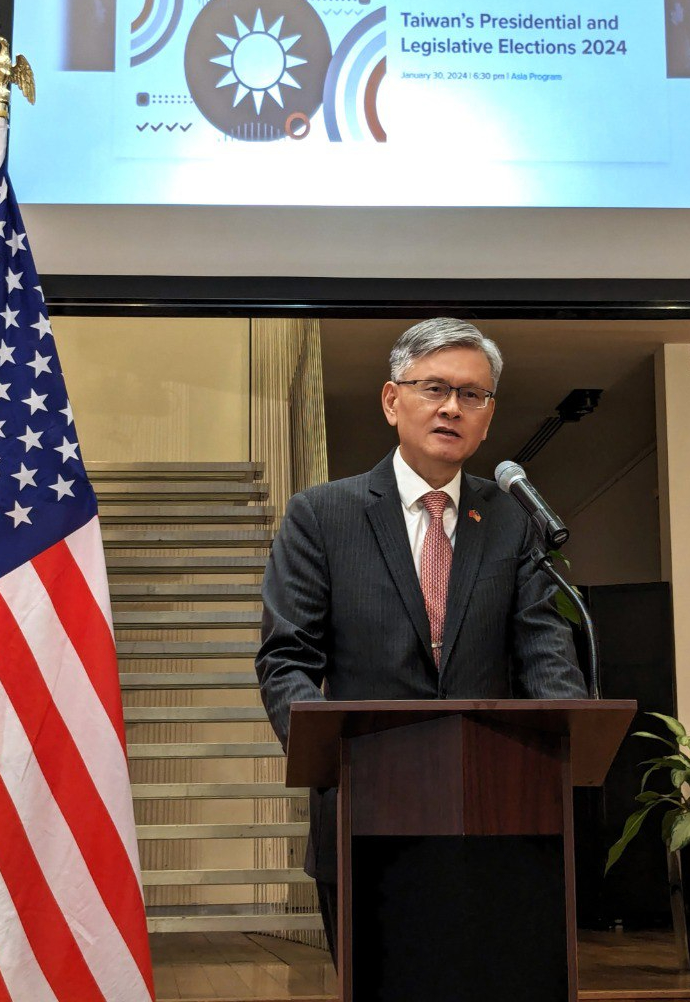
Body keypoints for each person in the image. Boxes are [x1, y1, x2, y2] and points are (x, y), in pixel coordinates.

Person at [255, 317, 586, 960]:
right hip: (364, 811)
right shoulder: (322, 515)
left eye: (472, 394)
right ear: (392, 400)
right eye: (434, 388)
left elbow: (544, 649)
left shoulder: (512, 520)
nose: (452, 407)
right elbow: (286, 658)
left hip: (499, 813)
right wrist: (329, 757)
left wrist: (565, 737)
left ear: (488, 416)